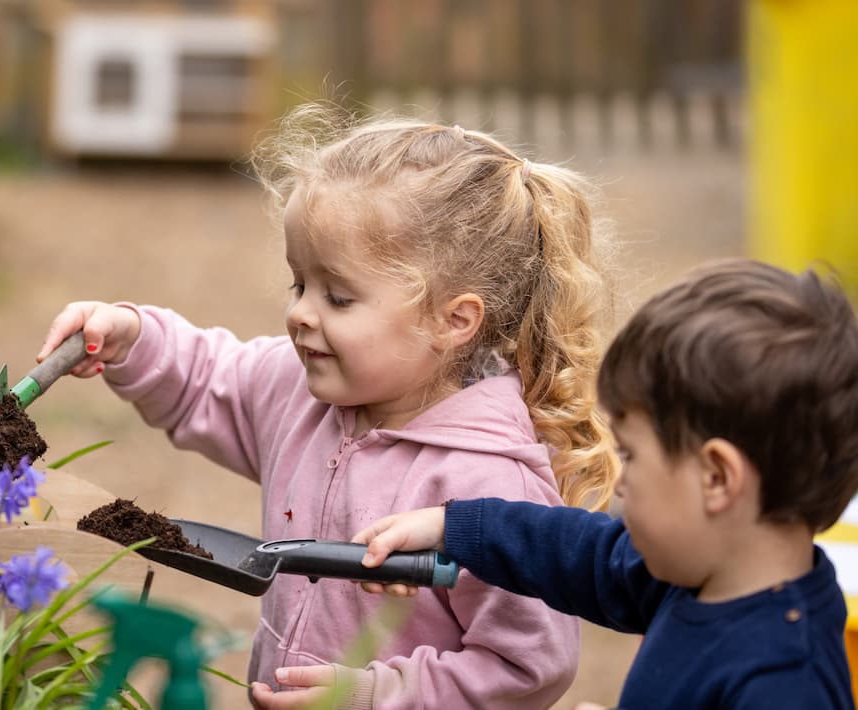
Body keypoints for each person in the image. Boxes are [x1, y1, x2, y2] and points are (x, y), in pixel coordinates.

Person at [37, 105, 620, 709]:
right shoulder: (302, 391)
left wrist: (376, 696)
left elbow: (530, 663)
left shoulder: (489, 488)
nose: (300, 313)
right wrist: (133, 337)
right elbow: (210, 375)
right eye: (299, 284)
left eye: (338, 296)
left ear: (454, 321)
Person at [354, 259, 858, 709]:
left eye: (633, 457)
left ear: (716, 477)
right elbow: (581, 552)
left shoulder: (785, 682)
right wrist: (453, 526)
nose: (620, 487)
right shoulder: (693, 574)